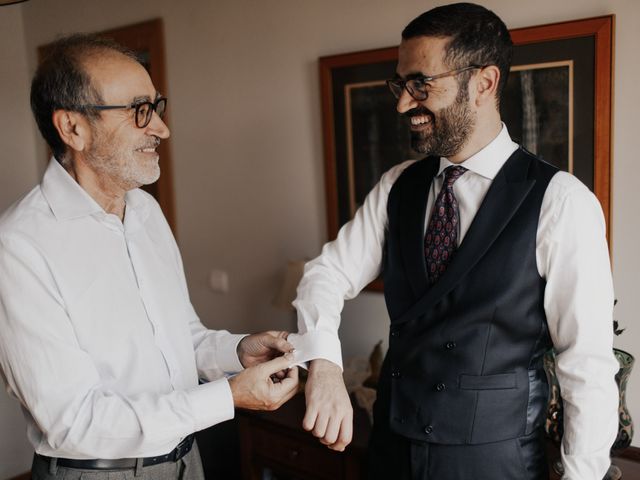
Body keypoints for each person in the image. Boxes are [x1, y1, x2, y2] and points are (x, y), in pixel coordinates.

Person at [294, 3, 618, 479]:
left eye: (421, 84)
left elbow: (586, 366)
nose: (404, 103)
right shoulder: (398, 184)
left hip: (492, 464)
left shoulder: (562, 201)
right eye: (400, 85)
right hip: (390, 453)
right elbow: (326, 273)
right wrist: (322, 363)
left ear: (484, 83)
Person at [0, 34, 298, 480]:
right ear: (73, 128)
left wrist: (237, 351)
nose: (161, 128)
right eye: (139, 111)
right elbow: (75, 422)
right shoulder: (19, 245)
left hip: (186, 461)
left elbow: (181, 337)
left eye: (157, 108)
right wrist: (228, 397)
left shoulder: (145, 211)